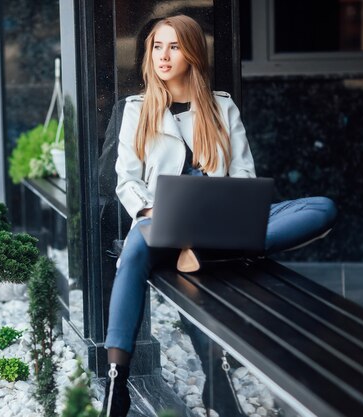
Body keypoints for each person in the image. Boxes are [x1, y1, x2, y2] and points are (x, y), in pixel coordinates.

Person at [101, 15, 337, 417]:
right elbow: (125, 179)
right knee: (138, 245)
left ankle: (206, 250)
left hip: (219, 222)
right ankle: (115, 382)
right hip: (160, 221)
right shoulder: (136, 110)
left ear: (191, 53)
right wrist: (151, 211)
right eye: (157, 46)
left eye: (173, 46)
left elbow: (245, 176)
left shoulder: (221, 108)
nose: (163, 55)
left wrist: (226, 207)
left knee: (321, 209)